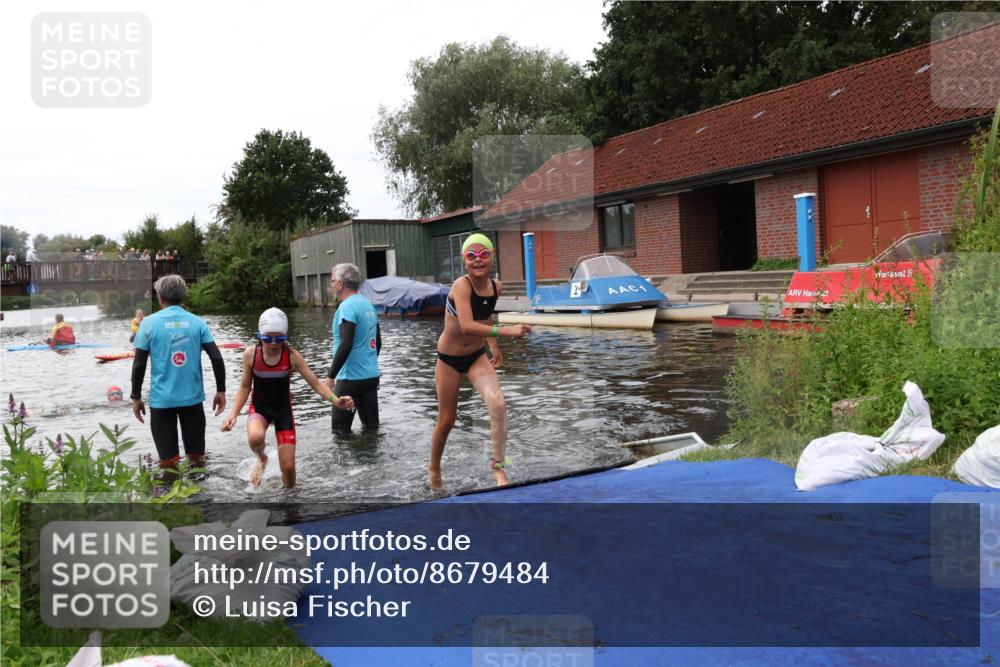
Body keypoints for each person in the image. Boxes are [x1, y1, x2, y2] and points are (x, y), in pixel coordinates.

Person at [429, 233, 530, 490]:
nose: (477, 260)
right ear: (464, 260)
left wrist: (493, 346)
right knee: (447, 420)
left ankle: (498, 468)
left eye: (483, 254)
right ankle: (434, 470)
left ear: (492, 256)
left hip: (476, 356)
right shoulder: (461, 286)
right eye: (471, 255)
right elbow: (466, 325)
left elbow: (485, 318)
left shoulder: (497, 287)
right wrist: (507, 332)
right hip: (449, 359)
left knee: (498, 405)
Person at [221, 308, 355, 487]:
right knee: (255, 437)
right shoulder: (251, 355)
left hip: (283, 412)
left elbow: (315, 383)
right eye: (268, 338)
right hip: (259, 409)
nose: (274, 343)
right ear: (259, 335)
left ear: (285, 336)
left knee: (289, 468)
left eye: (280, 338)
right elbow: (245, 386)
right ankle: (262, 459)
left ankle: (289, 503)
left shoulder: (291, 356)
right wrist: (233, 415)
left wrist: (336, 400)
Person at [130, 275, 226, 470]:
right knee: (197, 460)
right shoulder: (197, 322)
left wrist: (136, 397)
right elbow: (216, 357)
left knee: (168, 463)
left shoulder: (148, 324)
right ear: (183, 296)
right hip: (192, 401)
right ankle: (200, 496)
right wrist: (221, 391)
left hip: (161, 402)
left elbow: (139, 364)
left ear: (160, 297)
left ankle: (171, 496)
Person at [325, 263, 382, 432]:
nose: (331, 284)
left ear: (341, 284)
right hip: (371, 377)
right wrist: (367, 365)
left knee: (340, 433)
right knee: (371, 430)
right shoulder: (368, 304)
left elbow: (346, 343)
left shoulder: (346, 307)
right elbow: (378, 343)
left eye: (332, 280)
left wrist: (330, 376)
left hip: (350, 379)